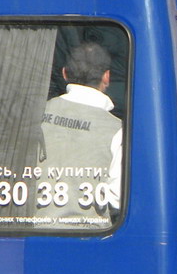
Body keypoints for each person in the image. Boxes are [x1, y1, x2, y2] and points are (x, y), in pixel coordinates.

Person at [38, 41, 122, 223]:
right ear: (106, 77)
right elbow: (117, 198)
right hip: (89, 242)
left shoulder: (36, 116)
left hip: (29, 236)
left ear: (65, 73)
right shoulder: (117, 130)